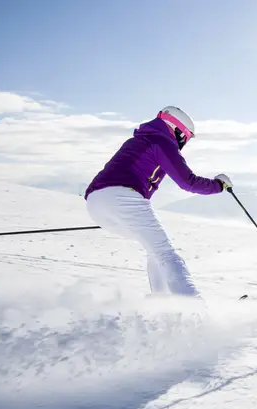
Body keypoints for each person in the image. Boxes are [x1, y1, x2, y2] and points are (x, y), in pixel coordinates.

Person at [84, 105, 232, 298]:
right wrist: (219, 185)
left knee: (154, 249)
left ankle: (161, 302)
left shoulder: (137, 140)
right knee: (165, 253)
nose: (184, 143)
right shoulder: (162, 142)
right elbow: (189, 182)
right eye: (186, 138)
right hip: (123, 197)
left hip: (95, 202)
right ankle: (193, 309)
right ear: (179, 131)